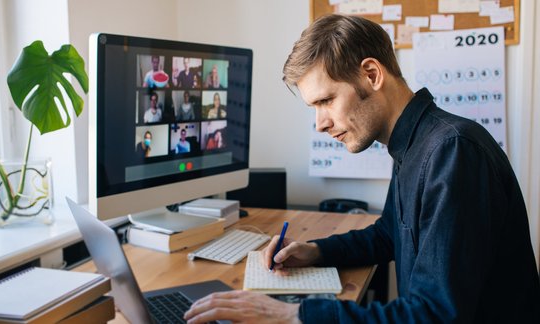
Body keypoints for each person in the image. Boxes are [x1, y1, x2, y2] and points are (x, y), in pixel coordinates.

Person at [184, 14, 540, 323]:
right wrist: (317, 251)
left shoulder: (451, 151)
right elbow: (389, 234)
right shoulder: (414, 143)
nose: (321, 124)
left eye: (326, 100)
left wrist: (292, 315)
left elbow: (436, 315)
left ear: (371, 74)